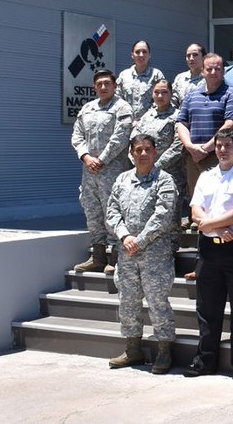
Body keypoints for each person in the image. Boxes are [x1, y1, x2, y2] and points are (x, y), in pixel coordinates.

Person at [184, 130, 233, 383]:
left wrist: (208, 224)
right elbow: (195, 210)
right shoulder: (207, 177)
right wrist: (215, 228)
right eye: (218, 146)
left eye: (228, 145)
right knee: (207, 308)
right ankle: (205, 360)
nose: (222, 150)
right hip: (209, 248)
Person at [104, 134, 178, 374]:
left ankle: (164, 350)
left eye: (147, 149)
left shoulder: (164, 180)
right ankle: (133, 349)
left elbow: (163, 215)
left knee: (157, 302)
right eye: (138, 150)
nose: (143, 154)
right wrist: (125, 236)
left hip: (154, 255)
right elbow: (112, 211)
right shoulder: (122, 180)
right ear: (131, 153)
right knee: (127, 301)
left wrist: (141, 240)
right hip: (127, 254)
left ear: (155, 152)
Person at [71, 69, 133, 274]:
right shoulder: (87, 108)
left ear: (115, 86)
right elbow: (77, 135)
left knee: (113, 211)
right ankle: (97, 256)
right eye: (100, 84)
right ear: (94, 87)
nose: (103, 87)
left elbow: (121, 137)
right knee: (92, 211)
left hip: (113, 169)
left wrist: (102, 159)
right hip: (89, 172)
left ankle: (116, 257)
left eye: (107, 83)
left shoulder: (122, 107)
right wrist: (86, 157)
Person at [175, 53, 233, 200]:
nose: (213, 72)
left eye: (217, 69)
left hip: (218, 157)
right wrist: (190, 147)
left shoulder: (232, 94)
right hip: (193, 157)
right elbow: (181, 123)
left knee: (218, 199)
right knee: (196, 199)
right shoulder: (191, 95)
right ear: (202, 71)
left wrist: (205, 149)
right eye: (209, 69)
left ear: (223, 71)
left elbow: (230, 125)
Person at [130, 79, 186, 200]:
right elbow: (134, 139)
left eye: (164, 92)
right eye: (156, 92)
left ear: (171, 94)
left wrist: (155, 166)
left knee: (170, 216)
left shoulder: (178, 116)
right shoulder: (147, 116)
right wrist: (137, 162)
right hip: (144, 176)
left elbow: (178, 146)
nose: (160, 96)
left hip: (169, 176)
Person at [117, 40, 165, 121]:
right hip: (127, 123)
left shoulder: (156, 75)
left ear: (149, 55)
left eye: (144, 52)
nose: (141, 55)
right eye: (137, 52)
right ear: (132, 55)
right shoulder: (124, 76)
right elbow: (118, 100)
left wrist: (144, 119)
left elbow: (162, 100)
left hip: (150, 123)